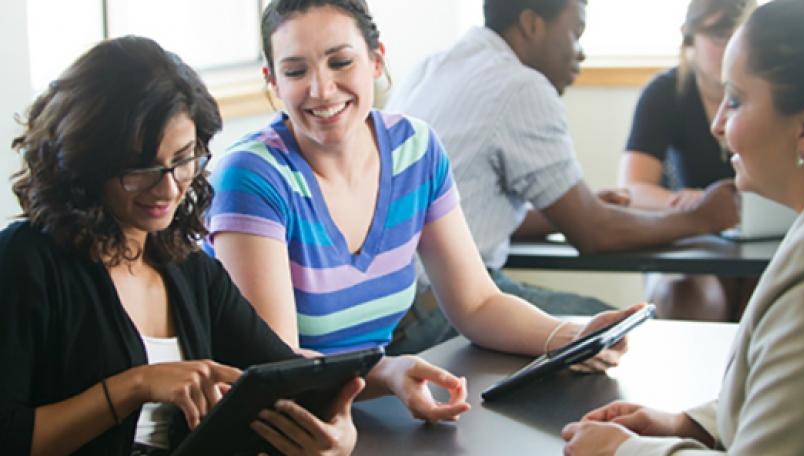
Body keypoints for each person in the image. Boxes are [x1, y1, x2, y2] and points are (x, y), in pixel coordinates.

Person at [207, 0, 640, 421]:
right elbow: (275, 364)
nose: (321, 89)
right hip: (277, 422)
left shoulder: (415, 149)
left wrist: (567, 337)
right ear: (273, 82)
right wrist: (386, 372)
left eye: (340, 62)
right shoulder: (251, 175)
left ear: (376, 60)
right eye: (296, 71)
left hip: (359, 411)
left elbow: (477, 302)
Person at [0, 36, 362, 456]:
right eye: (141, 168)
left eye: (184, 159)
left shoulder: (187, 267)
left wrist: (339, 428)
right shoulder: (24, 261)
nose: (169, 188)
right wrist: (134, 386)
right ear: (87, 163)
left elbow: (286, 375)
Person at [562, 0, 804, 453]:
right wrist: (690, 425)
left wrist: (622, 450)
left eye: (737, 101)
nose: (718, 124)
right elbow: (803, 392)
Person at [384, 0, 740, 351]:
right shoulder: (520, 86)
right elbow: (594, 233)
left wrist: (569, 210)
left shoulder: (429, 69)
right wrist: (701, 217)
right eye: (575, 33)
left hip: (389, 312)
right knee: (627, 335)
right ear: (531, 24)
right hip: (443, 310)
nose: (580, 53)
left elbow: (458, 215)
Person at [618, 0, 757, 322]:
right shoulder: (665, 92)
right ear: (689, 37)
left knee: (766, 295)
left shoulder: (769, 93)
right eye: (720, 35)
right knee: (690, 294)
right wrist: (697, 206)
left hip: (754, 244)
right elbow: (632, 189)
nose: (731, 47)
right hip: (688, 243)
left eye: (741, 35)